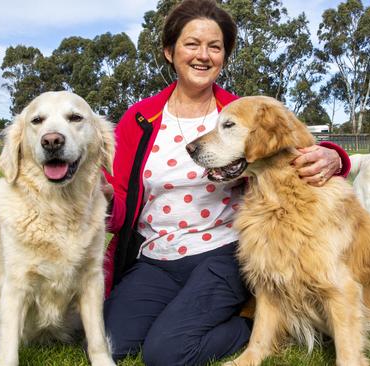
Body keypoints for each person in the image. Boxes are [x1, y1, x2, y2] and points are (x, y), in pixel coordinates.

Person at [101, 1, 350, 365]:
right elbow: (119, 199)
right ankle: (181, 310)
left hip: (222, 253)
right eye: (192, 44)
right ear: (169, 52)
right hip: (156, 256)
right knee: (108, 343)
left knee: (166, 354)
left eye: (215, 47)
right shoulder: (139, 118)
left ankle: (256, 326)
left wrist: (333, 155)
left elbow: (288, 141)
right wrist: (105, 199)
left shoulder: (240, 110)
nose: (203, 55)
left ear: (224, 57)